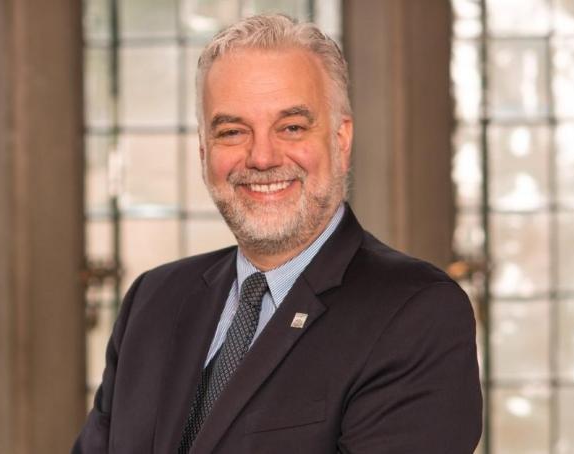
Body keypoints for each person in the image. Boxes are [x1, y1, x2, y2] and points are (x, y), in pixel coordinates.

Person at [73, 14, 482, 454]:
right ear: (204, 151)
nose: (262, 157)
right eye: (232, 131)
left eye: (291, 127)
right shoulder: (153, 301)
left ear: (340, 140)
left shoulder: (416, 313)